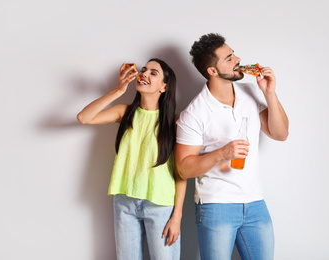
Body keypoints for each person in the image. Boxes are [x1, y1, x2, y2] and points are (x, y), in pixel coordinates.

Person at [175, 33, 289, 260]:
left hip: (255, 203)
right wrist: (222, 153)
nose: (237, 59)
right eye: (229, 58)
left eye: (233, 53)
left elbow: (280, 133)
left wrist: (270, 93)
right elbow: (184, 168)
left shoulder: (250, 91)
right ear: (212, 71)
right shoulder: (194, 114)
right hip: (216, 206)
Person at [77, 58, 187, 260]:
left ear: (164, 87)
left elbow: (183, 172)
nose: (144, 74)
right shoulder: (125, 112)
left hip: (160, 205)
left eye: (153, 73)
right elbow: (84, 117)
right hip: (125, 202)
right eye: (144, 70)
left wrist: (177, 216)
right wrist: (118, 90)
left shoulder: (176, 122)